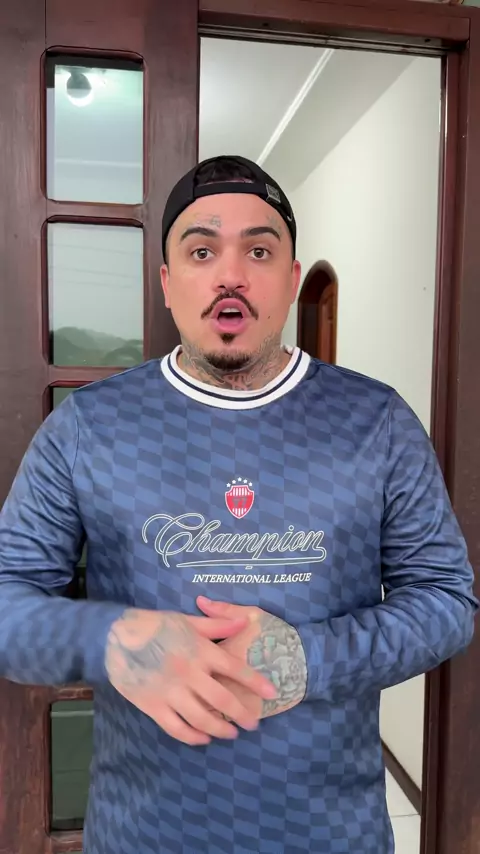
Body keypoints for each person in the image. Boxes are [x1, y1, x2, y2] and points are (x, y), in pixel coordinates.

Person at [0, 154, 477, 854]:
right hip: (144, 833)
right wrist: (109, 640)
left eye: (258, 250)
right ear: (168, 283)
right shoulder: (87, 427)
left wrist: (308, 659)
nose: (231, 274)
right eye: (201, 251)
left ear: (291, 278)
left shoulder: (376, 422)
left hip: (330, 833)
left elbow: (447, 600)